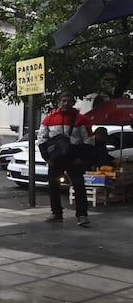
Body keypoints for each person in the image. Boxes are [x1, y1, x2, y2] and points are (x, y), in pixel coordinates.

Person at [37, 92, 92, 226]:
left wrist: (81, 158)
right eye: (63, 101)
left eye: (68, 101)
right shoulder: (49, 119)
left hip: (74, 159)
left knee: (79, 186)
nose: (66, 103)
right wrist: (47, 158)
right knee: (53, 186)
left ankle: (82, 215)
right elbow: (42, 139)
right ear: (59, 102)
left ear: (73, 103)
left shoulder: (81, 119)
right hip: (56, 159)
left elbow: (89, 141)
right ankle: (56, 213)